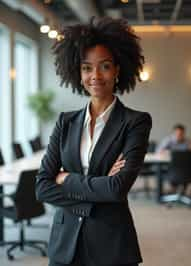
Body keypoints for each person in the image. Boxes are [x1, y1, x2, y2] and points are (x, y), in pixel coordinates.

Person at [35, 17, 152, 266]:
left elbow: (117, 188)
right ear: (78, 73)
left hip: (112, 246)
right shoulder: (65, 122)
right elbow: (42, 186)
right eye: (87, 68)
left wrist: (66, 179)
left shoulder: (136, 122)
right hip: (65, 245)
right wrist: (97, 192)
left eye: (105, 66)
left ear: (118, 69)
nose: (95, 75)